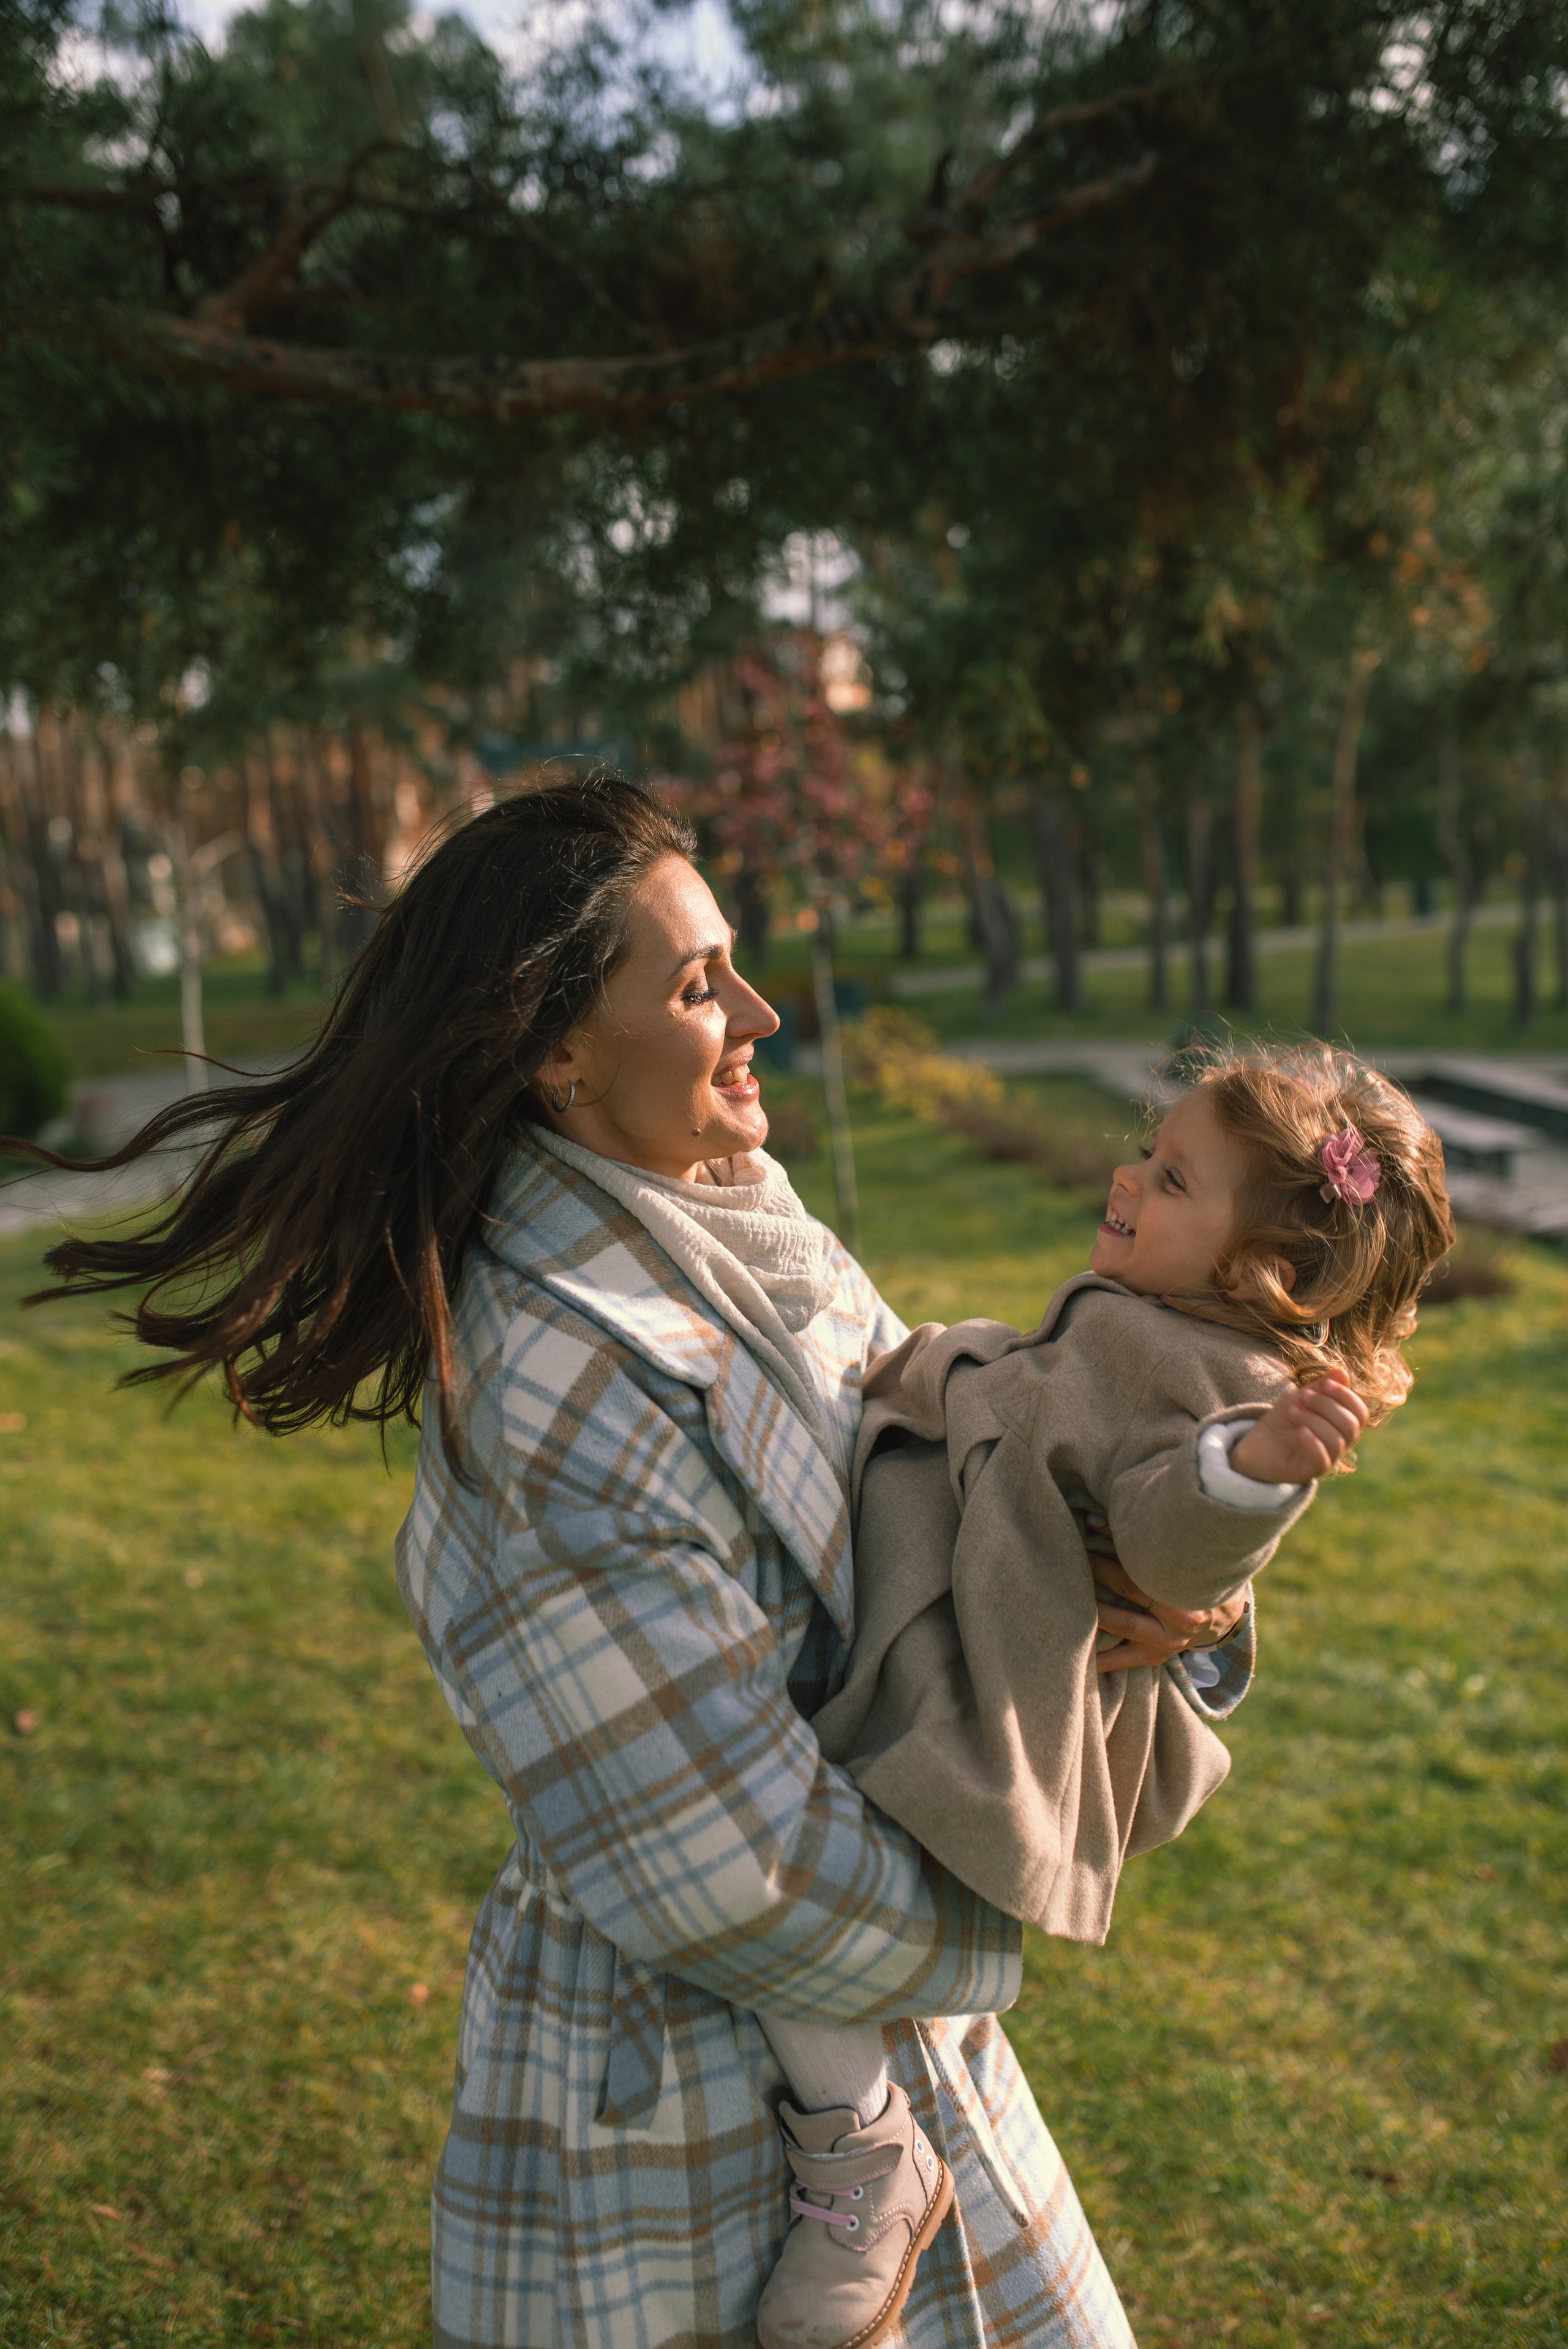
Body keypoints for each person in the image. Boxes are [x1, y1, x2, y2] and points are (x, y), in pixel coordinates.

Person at [16, 774, 1243, 2349]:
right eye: (693, 983)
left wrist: (1174, 1571)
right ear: (554, 1052)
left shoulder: (741, 1224)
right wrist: (1010, 1881)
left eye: (731, 961)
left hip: (893, 2071)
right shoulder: (552, 1387)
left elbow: (973, 1465)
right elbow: (727, 1869)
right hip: (683, 2121)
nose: (761, 1011)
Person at [745, 1046, 1454, 2347]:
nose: (1128, 1173)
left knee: (769, 1867)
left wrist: (1254, 1472)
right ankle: (862, 2134)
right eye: (1148, 1147)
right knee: (787, 1862)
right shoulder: (1163, 1316)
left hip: (980, 1684)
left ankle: (858, 2151)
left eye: (1172, 1175)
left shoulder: (1235, 1391)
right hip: (961, 1598)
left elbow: (1175, 1540)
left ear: (1264, 1275)